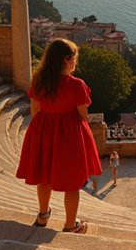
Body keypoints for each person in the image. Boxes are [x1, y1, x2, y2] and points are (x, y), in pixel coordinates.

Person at [15, 38, 102, 234]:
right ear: (66, 60)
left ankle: (43, 215)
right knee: (73, 182)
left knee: (43, 176)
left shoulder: (39, 80)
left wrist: (45, 127)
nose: (75, 62)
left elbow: (35, 110)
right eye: (74, 58)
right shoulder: (76, 85)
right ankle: (71, 225)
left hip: (43, 130)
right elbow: (83, 114)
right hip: (69, 135)